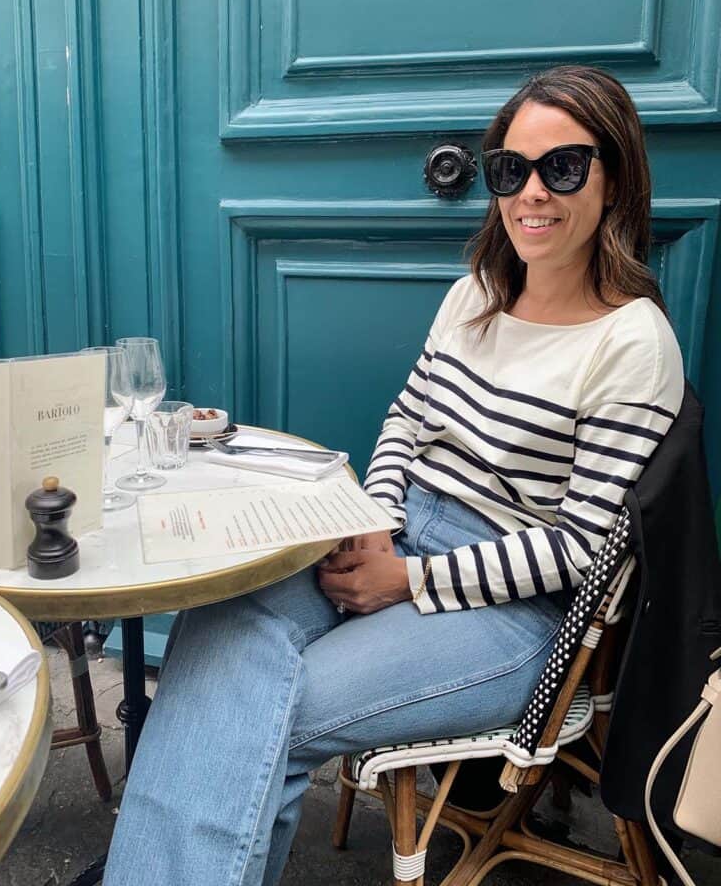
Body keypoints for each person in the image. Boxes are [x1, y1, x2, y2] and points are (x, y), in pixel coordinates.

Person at [103, 65, 684, 885]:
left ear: (614, 175)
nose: (531, 194)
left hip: (508, 605)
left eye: (563, 167)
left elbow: (581, 548)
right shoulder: (476, 294)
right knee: (217, 623)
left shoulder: (632, 342)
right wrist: (376, 521)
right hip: (400, 530)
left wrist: (405, 579)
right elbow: (406, 420)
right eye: (511, 170)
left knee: (261, 713)